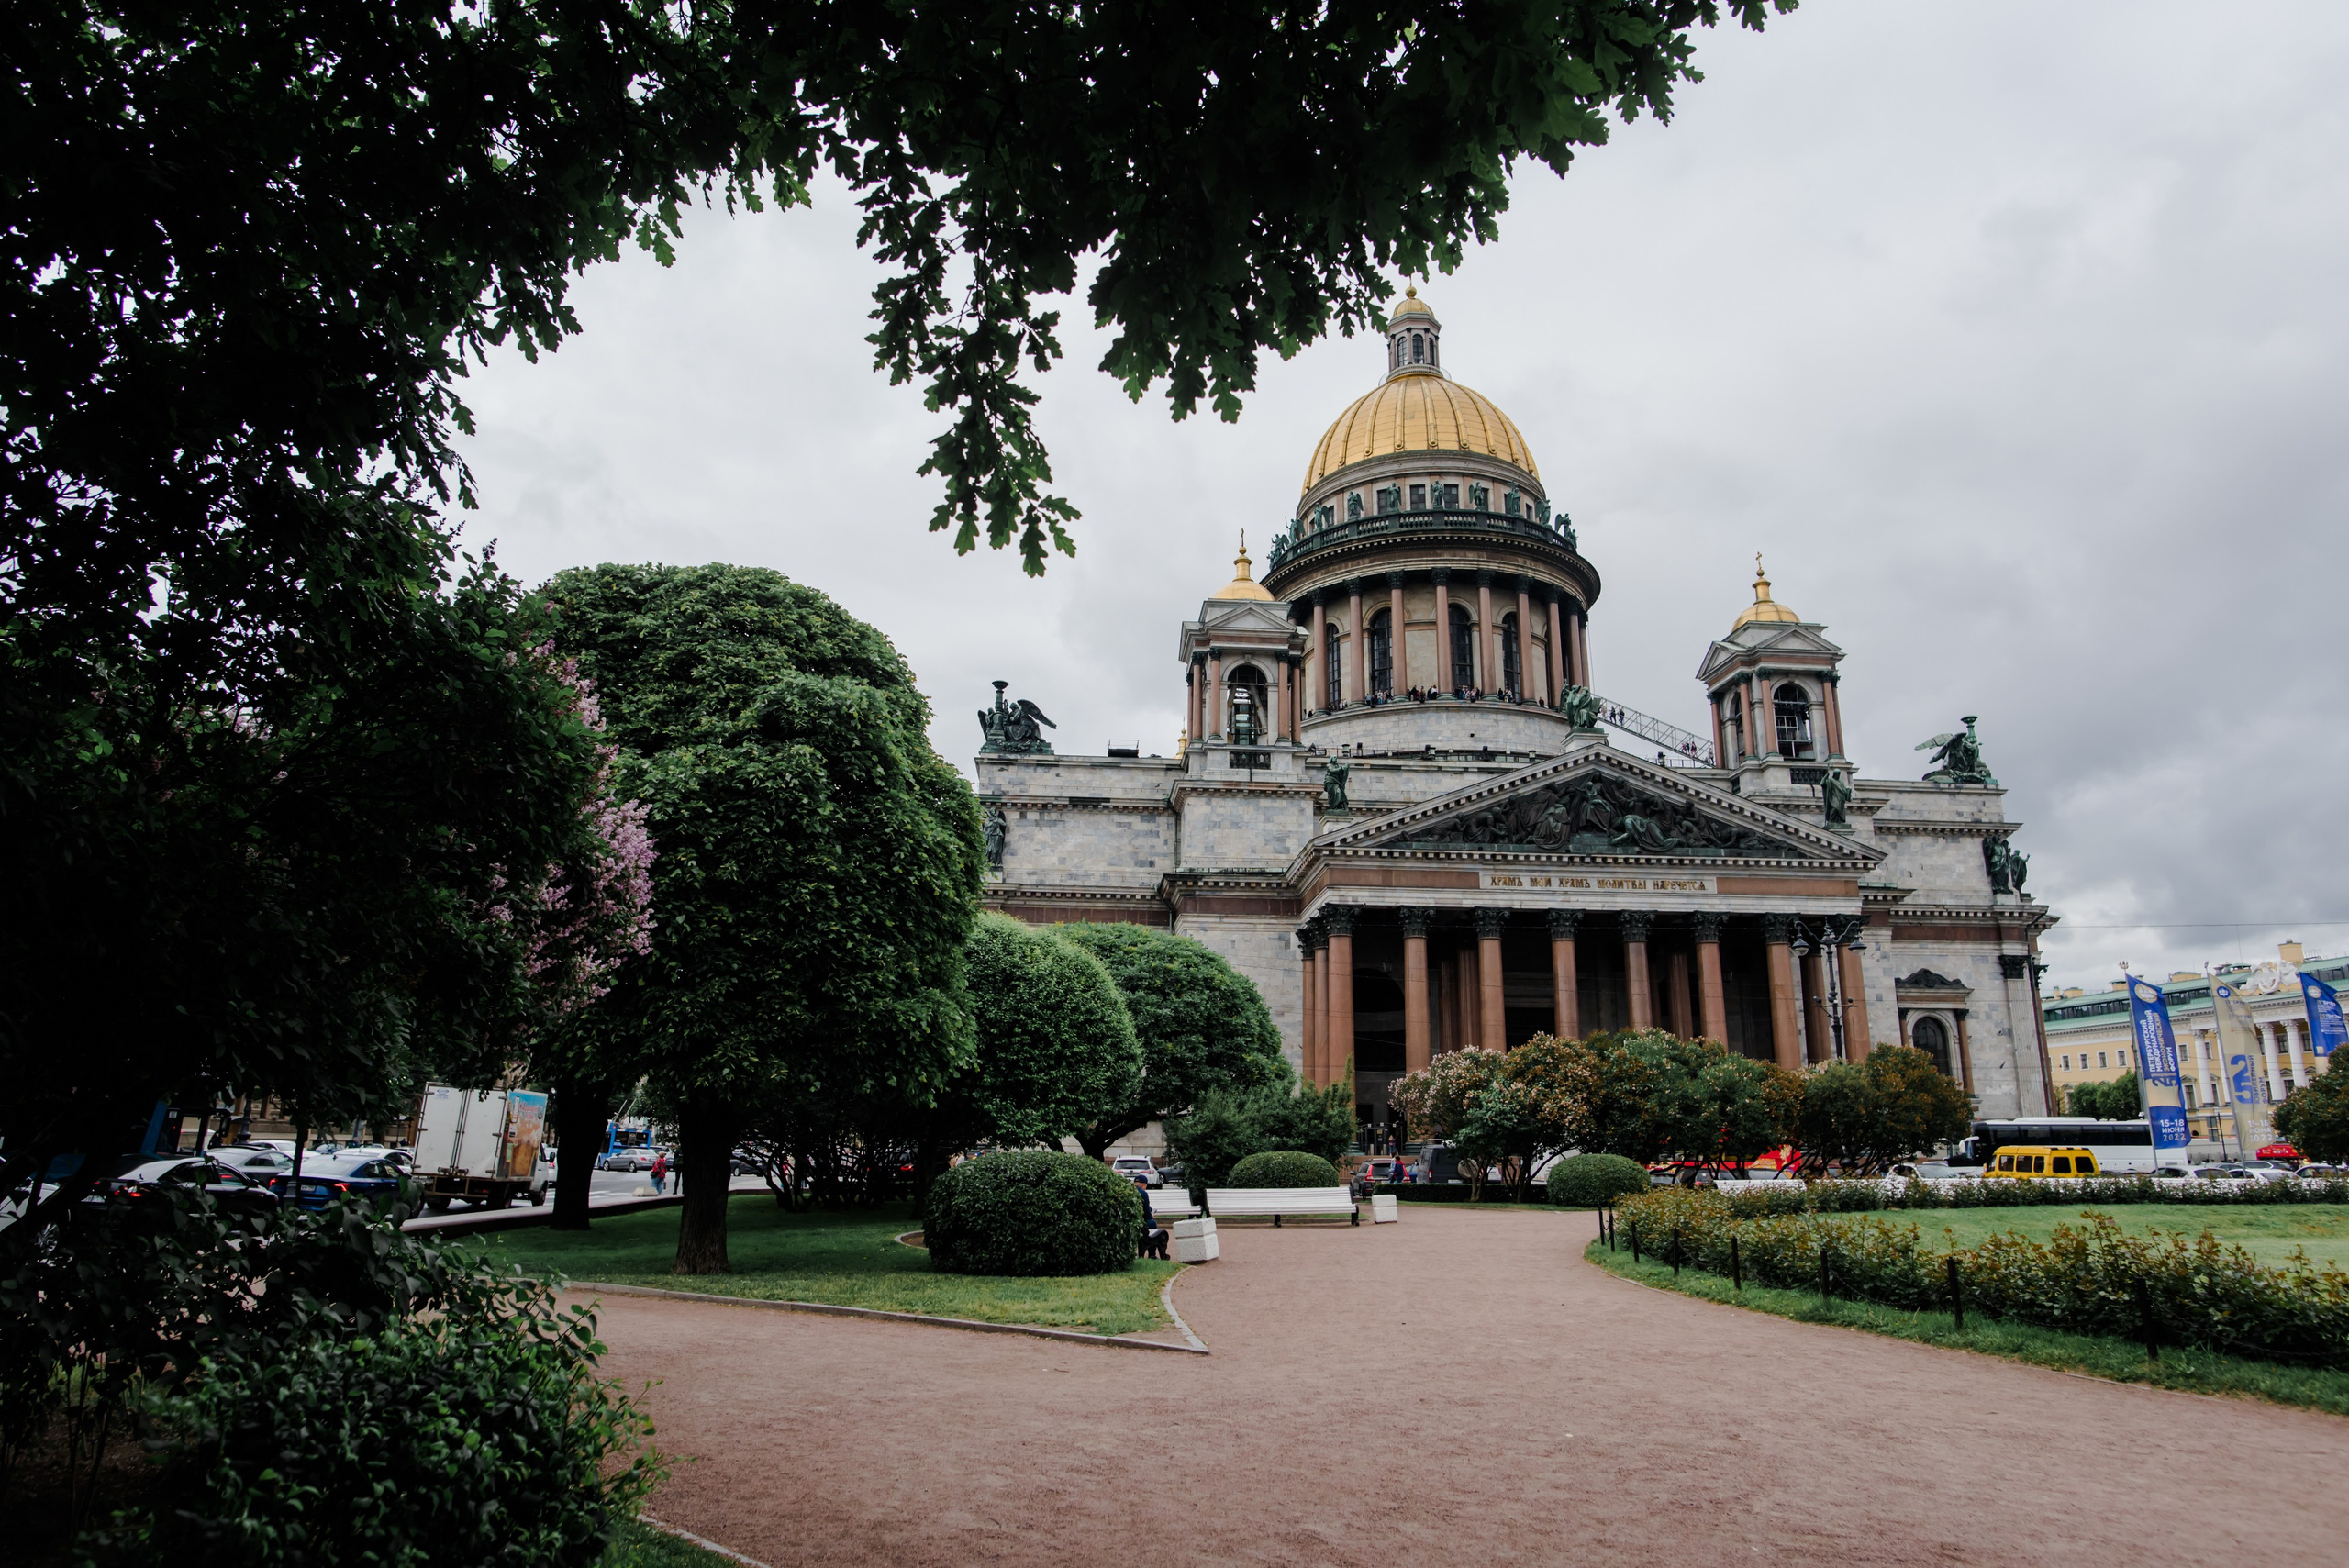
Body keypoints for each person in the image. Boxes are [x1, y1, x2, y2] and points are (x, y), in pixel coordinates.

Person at [1138, 1185, 1169, 1260]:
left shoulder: (1128, 1189)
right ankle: (1152, 1254)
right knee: (1152, 1223)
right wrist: (1151, 1215)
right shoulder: (1143, 1193)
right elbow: (1148, 1215)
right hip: (1141, 1224)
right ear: (1143, 1185)